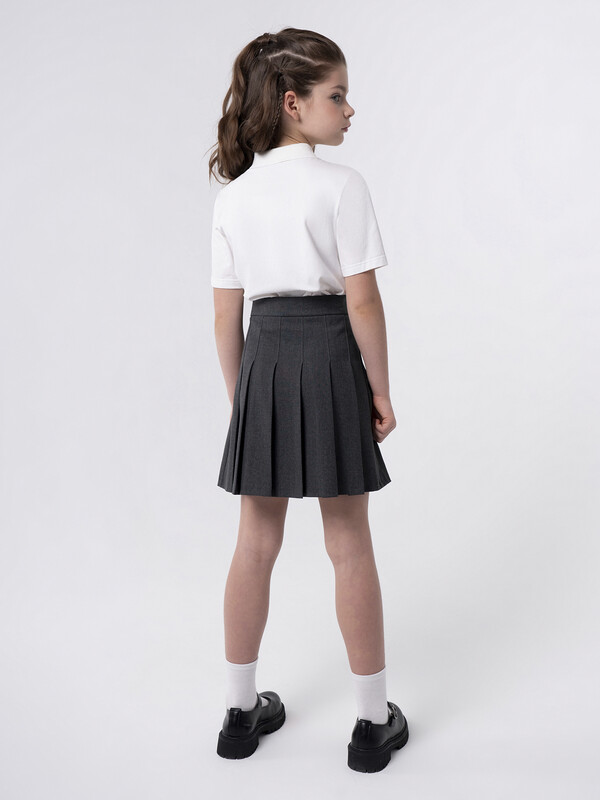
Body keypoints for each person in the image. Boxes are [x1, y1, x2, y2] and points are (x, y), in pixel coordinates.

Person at [208, 27, 409, 773]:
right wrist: (380, 387)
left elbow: (225, 318)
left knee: (253, 544)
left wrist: (243, 401)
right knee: (348, 541)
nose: (350, 110)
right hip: (328, 356)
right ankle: (371, 724)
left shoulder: (234, 197)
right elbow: (364, 303)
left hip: (263, 359)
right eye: (337, 95)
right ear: (293, 103)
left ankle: (238, 714)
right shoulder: (341, 186)